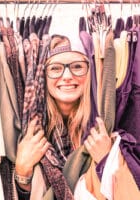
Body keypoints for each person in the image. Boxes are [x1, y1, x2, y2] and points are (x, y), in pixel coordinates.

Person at [14, 34, 113, 199]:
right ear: (43, 77)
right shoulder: (33, 131)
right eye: (55, 68)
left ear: (89, 73)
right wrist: (22, 172)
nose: (67, 76)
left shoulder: (102, 127)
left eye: (77, 66)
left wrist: (107, 162)